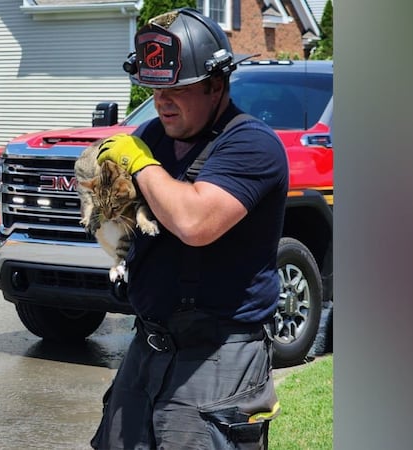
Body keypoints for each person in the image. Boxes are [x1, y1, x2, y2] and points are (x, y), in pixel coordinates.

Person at [90, 8, 289, 449]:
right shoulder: (153, 136)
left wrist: (138, 162)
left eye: (176, 88)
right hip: (149, 345)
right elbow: (121, 216)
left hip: (219, 356)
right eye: (154, 88)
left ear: (216, 84)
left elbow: (194, 222)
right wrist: (105, 200)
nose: (162, 101)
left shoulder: (252, 144)